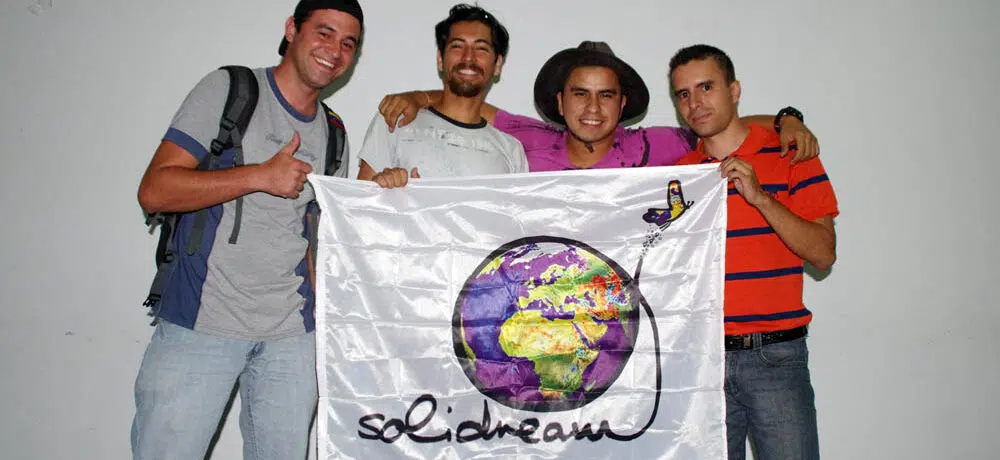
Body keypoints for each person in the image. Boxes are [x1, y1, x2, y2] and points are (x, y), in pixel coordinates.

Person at [131, 1, 363, 458]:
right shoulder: (230, 90)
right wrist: (258, 175)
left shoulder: (334, 132)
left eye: (348, 43)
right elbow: (154, 191)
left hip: (292, 339)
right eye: (324, 32)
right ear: (292, 29)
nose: (334, 50)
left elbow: (318, 240)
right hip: (202, 325)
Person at [669, 44, 838, 460]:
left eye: (706, 87)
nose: (695, 103)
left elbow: (823, 254)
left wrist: (761, 198)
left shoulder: (790, 152)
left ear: (735, 90)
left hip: (775, 357)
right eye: (683, 94)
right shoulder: (680, 175)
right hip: (703, 362)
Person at [376, 41, 819, 173]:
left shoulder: (658, 145)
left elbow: (719, 124)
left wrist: (786, 120)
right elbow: (464, 103)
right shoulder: (528, 138)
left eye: (605, 94)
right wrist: (418, 98)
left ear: (622, 103)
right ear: (560, 101)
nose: (592, 107)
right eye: (579, 93)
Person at [358, 4, 527, 188]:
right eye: (457, 46)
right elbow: (357, 201)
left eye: (481, 48)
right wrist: (383, 190)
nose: (468, 57)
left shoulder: (512, 151)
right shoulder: (394, 120)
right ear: (440, 59)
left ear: (497, 65)